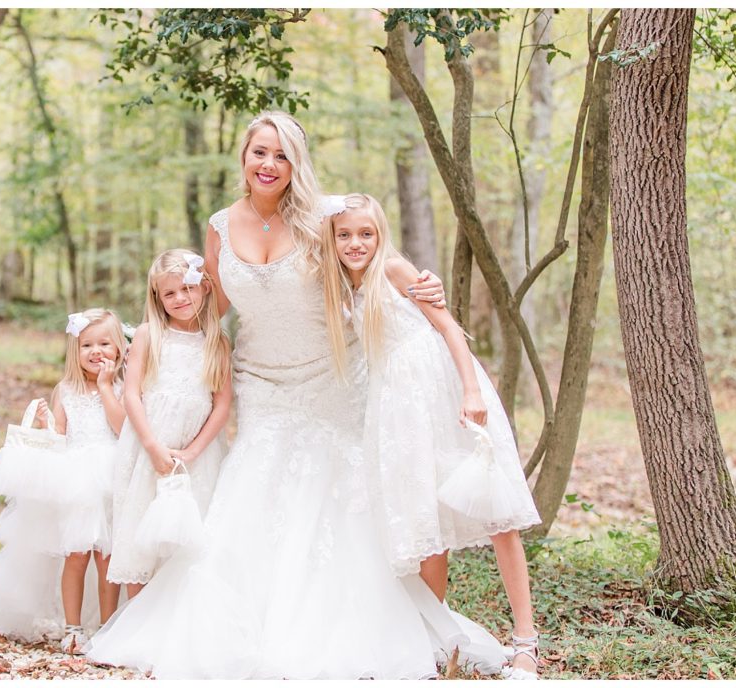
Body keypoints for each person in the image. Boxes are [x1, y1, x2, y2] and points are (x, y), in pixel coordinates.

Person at [83, 111, 505, 679]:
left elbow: (369, 253)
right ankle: (244, 631)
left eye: (282, 155)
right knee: (256, 491)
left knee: (334, 498)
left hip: (331, 377)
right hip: (259, 381)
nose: (269, 164)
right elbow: (212, 307)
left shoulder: (319, 217)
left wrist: (419, 281)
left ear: (296, 164)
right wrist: (155, 342)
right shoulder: (218, 225)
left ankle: (349, 632)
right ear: (244, 156)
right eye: (260, 152)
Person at [323, 193, 542, 679]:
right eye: (344, 234)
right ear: (332, 240)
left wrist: (471, 391)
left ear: (381, 236)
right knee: (425, 523)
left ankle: (526, 641)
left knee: (495, 513)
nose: (356, 243)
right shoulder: (343, 288)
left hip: (443, 392)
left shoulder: (396, 270)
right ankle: (436, 639)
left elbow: (448, 328)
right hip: (399, 409)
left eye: (366, 233)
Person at [0, 308, 127, 654]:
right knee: (76, 555)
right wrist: (47, 424)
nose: (96, 352)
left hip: (111, 477)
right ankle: (73, 627)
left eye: (104, 344)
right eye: (87, 345)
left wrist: (108, 387)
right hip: (76, 481)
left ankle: (109, 627)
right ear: (74, 352)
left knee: (108, 557)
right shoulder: (65, 389)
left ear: (119, 348)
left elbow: (122, 429)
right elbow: (60, 438)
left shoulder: (123, 387)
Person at [107, 248, 231, 598]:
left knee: (189, 530)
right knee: (140, 526)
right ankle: (134, 620)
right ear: (157, 298)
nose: (179, 298)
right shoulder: (149, 335)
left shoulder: (217, 342)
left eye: (186, 289)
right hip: (149, 444)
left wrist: (191, 453)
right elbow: (132, 394)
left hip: (196, 453)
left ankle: (174, 615)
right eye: (169, 293)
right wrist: (152, 447)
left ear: (204, 288)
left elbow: (221, 406)